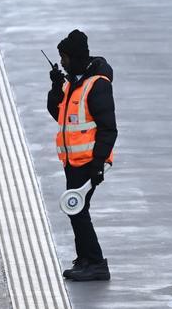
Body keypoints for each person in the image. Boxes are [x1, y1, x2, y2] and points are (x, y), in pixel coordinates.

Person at [47, 29, 117, 282]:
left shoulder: (96, 85)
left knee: (77, 210)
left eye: (64, 58)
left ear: (75, 57)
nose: (62, 62)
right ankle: (86, 259)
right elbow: (59, 114)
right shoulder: (74, 82)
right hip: (73, 160)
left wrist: (98, 164)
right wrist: (56, 85)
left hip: (88, 161)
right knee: (76, 209)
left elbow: (109, 128)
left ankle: (96, 262)